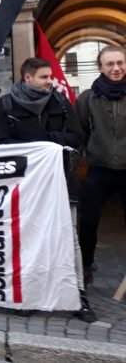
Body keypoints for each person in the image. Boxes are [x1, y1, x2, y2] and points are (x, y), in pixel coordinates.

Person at [0, 57, 94, 323]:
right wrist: (38, 149)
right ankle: (29, 294)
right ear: (28, 78)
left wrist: (46, 144)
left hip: (61, 179)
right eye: (44, 77)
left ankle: (78, 296)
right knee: (28, 238)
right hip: (26, 185)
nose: (50, 81)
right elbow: (3, 143)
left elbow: (76, 137)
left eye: (49, 76)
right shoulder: (6, 105)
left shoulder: (60, 102)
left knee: (70, 239)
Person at [78, 45, 126, 288]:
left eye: (120, 62)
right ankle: (86, 265)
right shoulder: (88, 98)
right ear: (101, 67)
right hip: (100, 169)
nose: (116, 68)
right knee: (88, 220)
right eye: (110, 64)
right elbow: (81, 133)